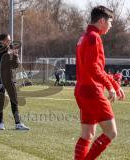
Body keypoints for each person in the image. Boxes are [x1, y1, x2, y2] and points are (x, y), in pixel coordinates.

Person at [74, 6, 125, 160]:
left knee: (87, 134)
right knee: (111, 132)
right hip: (92, 91)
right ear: (102, 20)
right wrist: (110, 86)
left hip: (82, 90)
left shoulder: (85, 36)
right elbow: (93, 68)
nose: (111, 25)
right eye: (110, 22)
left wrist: (114, 84)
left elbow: (96, 68)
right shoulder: (94, 37)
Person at [0, 33, 29, 130]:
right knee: (1, 102)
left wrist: (15, 55)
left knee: (14, 100)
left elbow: (14, 65)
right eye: (8, 40)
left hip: (9, 79)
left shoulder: (9, 50)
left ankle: (18, 123)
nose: (10, 42)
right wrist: (8, 53)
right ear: (2, 41)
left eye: (10, 40)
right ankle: (1, 123)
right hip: (0, 79)